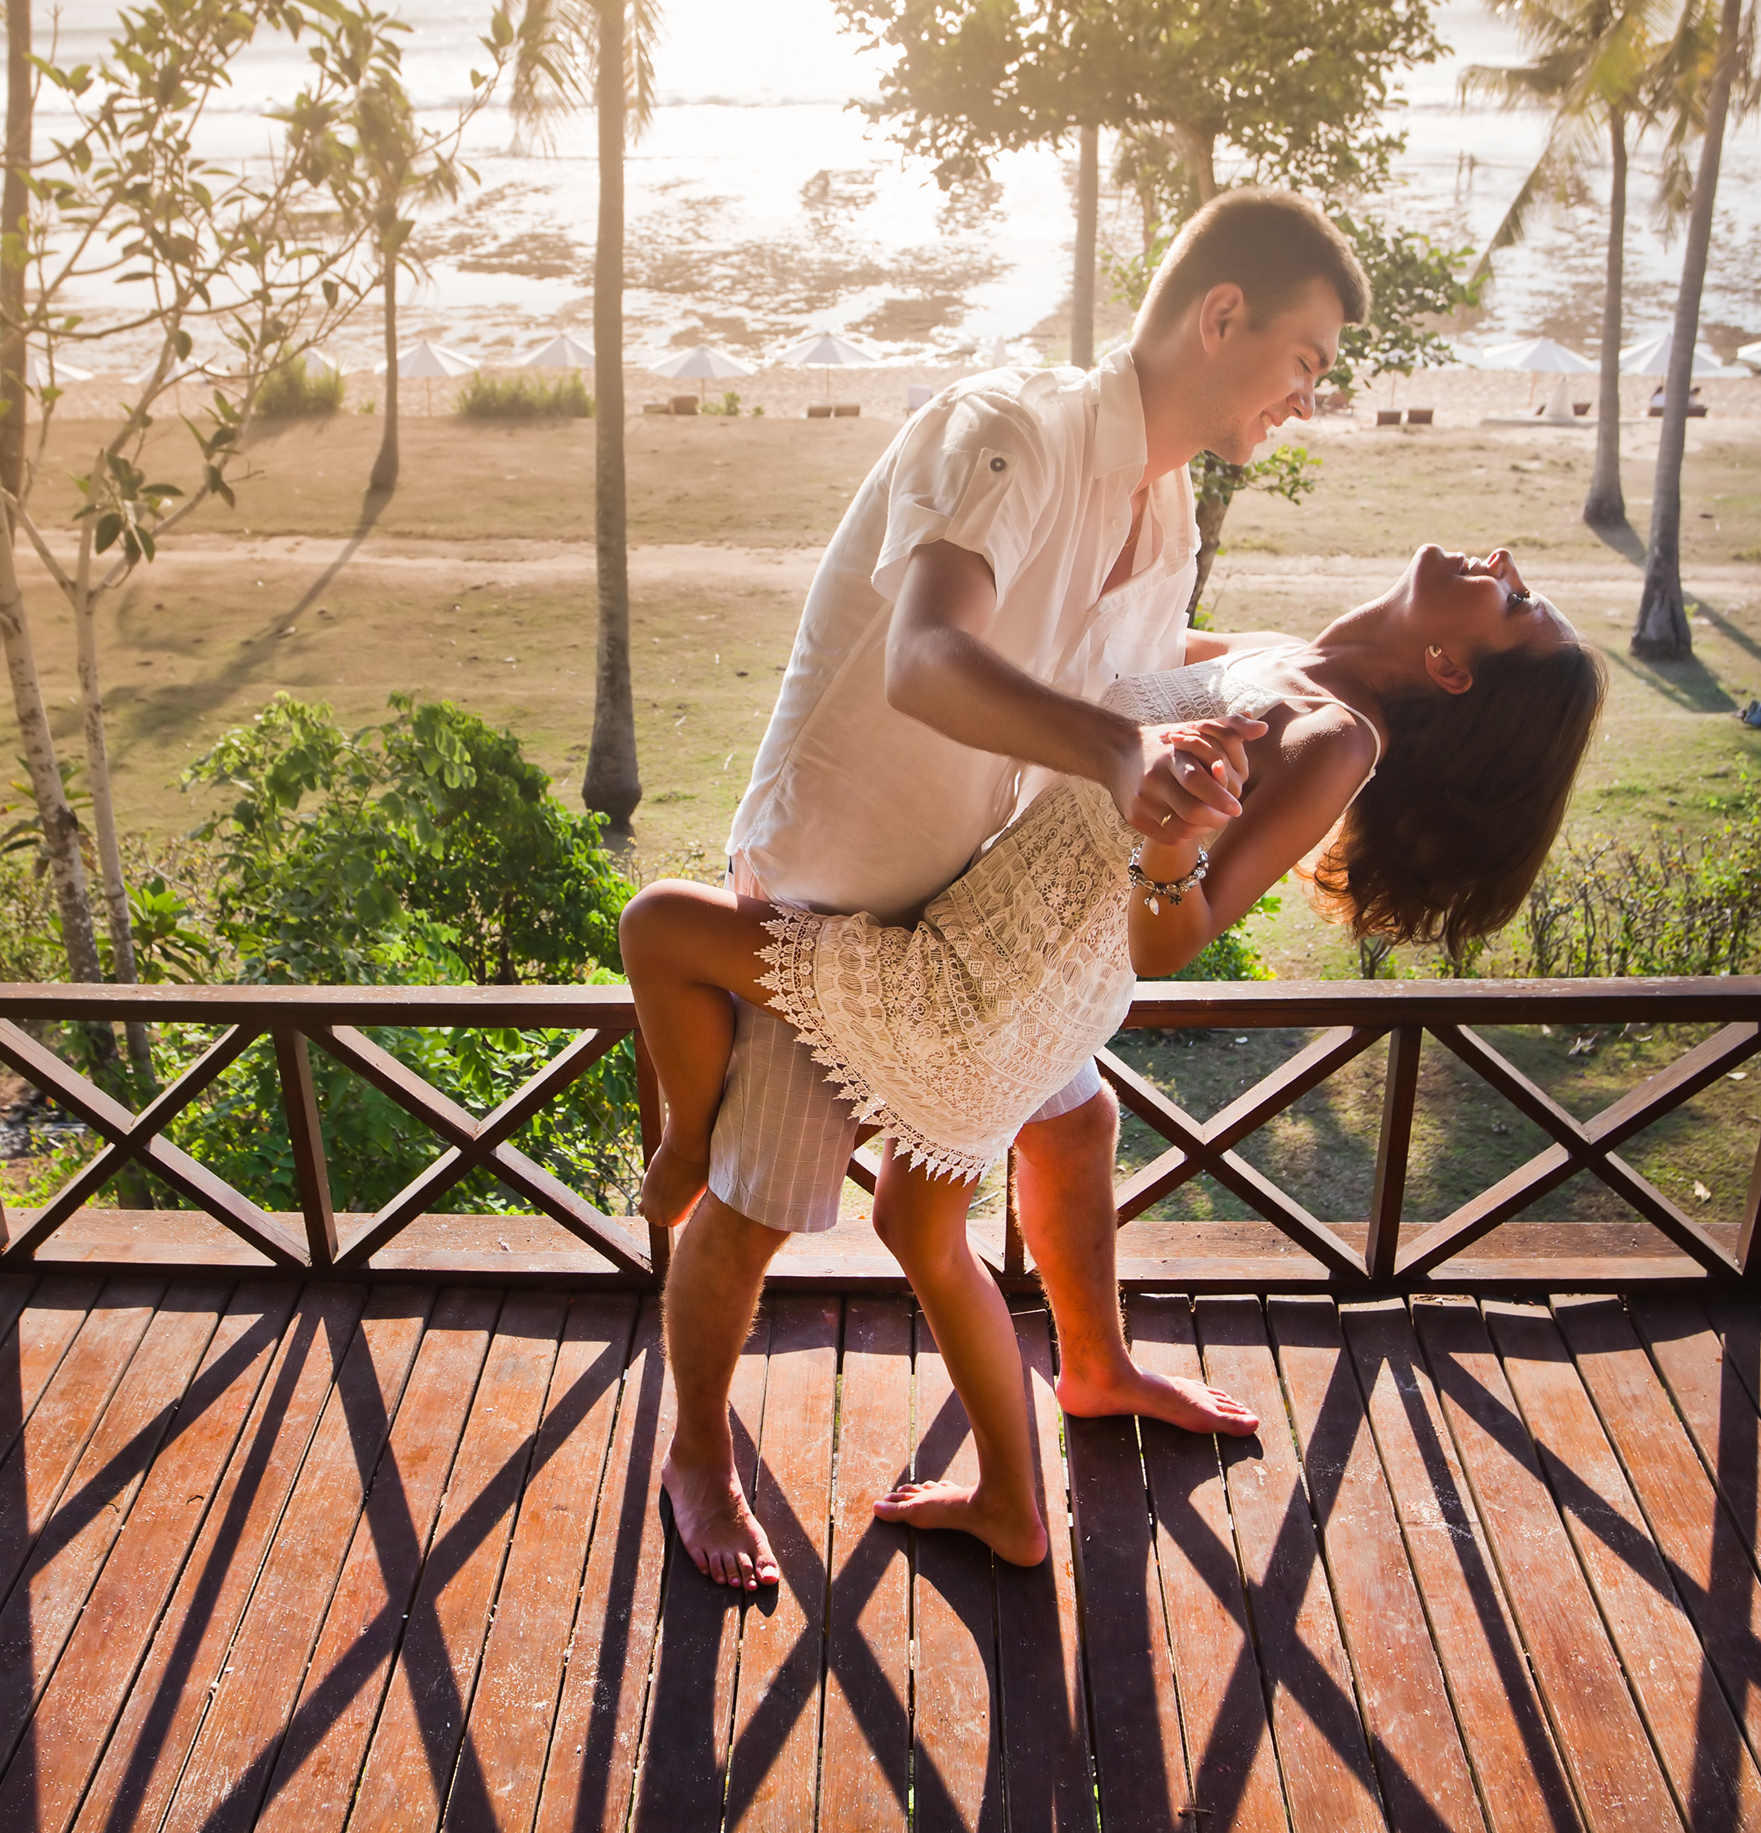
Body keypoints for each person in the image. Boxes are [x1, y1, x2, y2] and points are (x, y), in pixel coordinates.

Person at [648, 187, 1366, 1592]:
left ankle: (1091, 1368)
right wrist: (1122, 750)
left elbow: (1125, 668)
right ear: (1222, 316)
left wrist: (1262, 668)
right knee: (748, 1214)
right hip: (833, 898)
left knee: (1077, 1116)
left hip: (972, 925)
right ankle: (697, 1451)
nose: (1307, 394)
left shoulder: (1163, 510)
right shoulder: (1010, 431)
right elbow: (928, 657)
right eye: (1307, 359)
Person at [622, 545, 1603, 1565]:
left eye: (1516, 601)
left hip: (980, 978)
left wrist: (1171, 840)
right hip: (1047, 971)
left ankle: (692, 1147)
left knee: (663, 928)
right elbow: (1093, 655)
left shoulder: (1334, 740)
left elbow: (1173, 937)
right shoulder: (1290, 659)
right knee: (1005, 1171)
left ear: (1452, 665)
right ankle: (1065, 1416)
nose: (1503, 563)